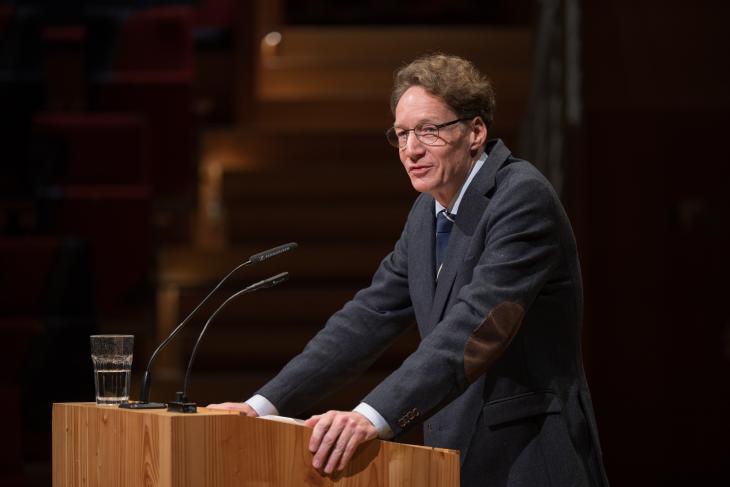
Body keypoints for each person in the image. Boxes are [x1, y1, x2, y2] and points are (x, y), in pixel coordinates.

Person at [209, 53, 609, 487]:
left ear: (475, 132)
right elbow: (368, 317)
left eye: (428, 130)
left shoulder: (521, 199)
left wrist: (369, 416)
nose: (411, 150)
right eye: (401, 134)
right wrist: (264, 404)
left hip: (529, 460)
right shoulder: (426, 213)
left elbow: (476, 329)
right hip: (457, 457)